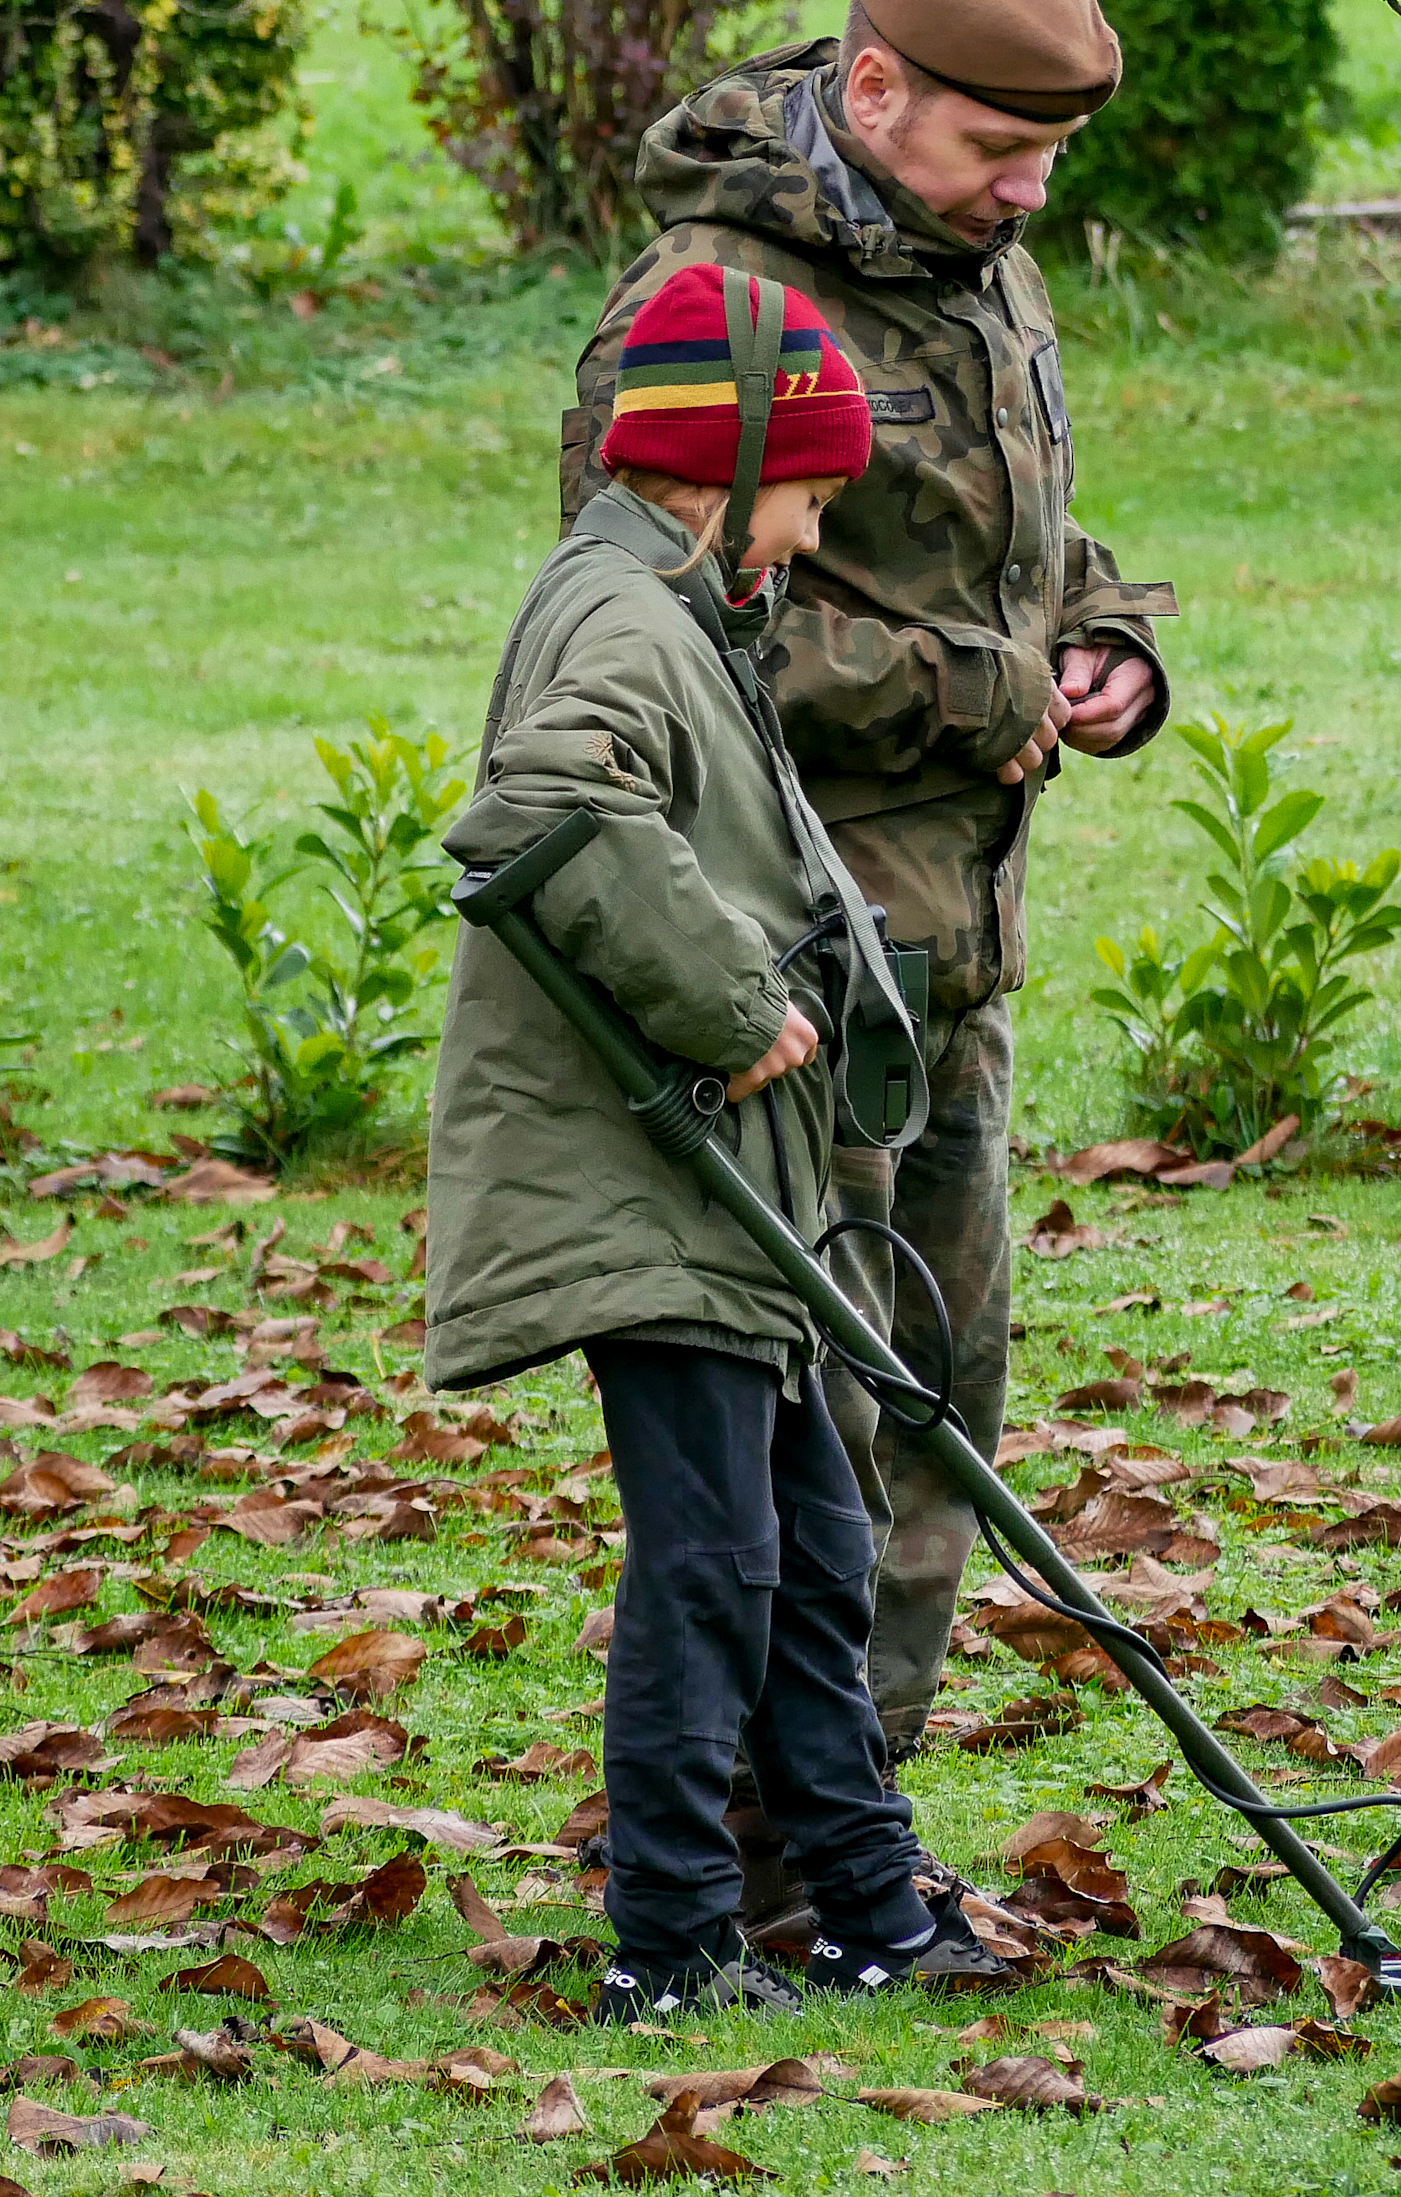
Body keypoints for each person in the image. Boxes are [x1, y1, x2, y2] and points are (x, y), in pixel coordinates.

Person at [563, 0, 1176, 1763]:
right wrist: (990, 698)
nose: (1029, 190)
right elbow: (656, 618)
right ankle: (744, 1851)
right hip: (785, 964)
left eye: (1051, 156)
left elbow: (1018, 533)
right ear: (877, 87)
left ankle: (855, 1833)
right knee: (798, 1434)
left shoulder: (978, 257)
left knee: (937, 1408)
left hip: (949, 960)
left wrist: (1109, 636)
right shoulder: (712, 304)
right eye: (1000, 149)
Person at [427, 261, 1011, 2019]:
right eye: (811, 488)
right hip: (650, 1176)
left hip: (717, 1187)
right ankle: (673, 1938)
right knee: (715, 1561)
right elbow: (542, 802)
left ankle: (865, 1905)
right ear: (726, 460)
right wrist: (731, 1001)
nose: (821, 525)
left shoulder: (678, 602)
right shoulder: (622, 615)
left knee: (814, 1543)